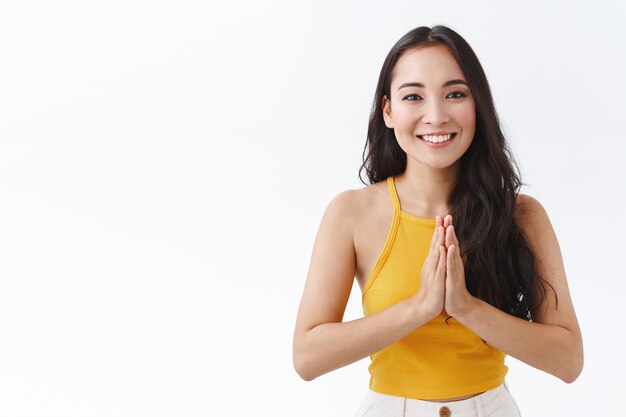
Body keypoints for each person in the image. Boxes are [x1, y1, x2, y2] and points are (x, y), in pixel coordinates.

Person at [292, 25, 583, 417]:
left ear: (477, 105)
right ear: (388, 111)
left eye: (455, 94)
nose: (436, 115)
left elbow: (568, 361)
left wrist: (466, 307)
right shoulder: (351, 213)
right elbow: (307, 357)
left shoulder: (522, 216)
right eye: (413, 96)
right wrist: (419, 308)